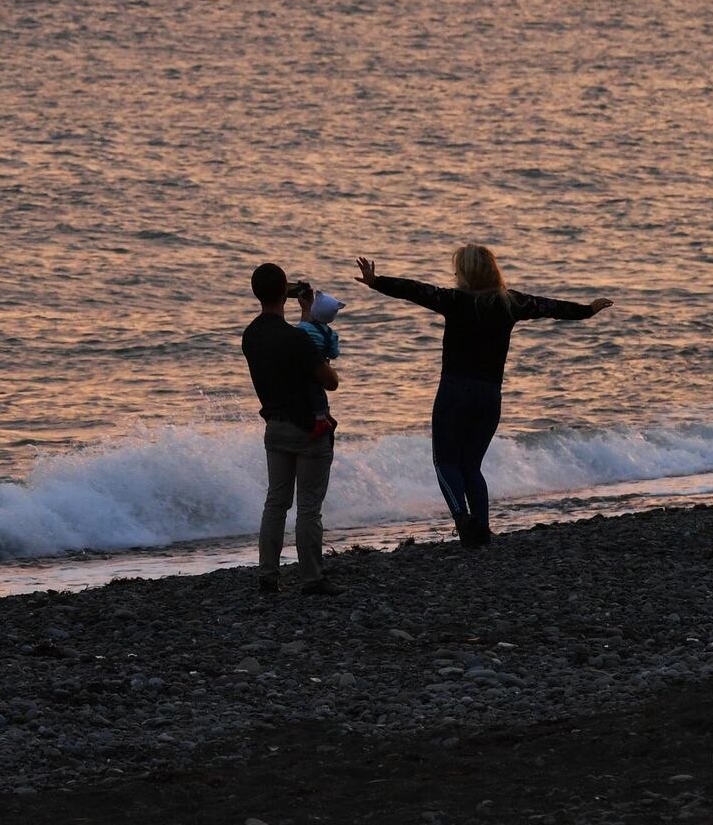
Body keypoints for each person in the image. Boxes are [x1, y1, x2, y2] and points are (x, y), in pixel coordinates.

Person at [353, 246, 611, 549]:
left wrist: (377, 281)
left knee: (445, 462)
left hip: (454, 391)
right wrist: (587, 310)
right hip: (490, 395)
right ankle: (483, 531)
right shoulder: (510, 302)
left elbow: (416, 291)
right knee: (471, 466)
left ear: (465, 273)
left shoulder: (454, 300)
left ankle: (462, 519)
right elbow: (550, 307)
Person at [242, 262, 346, 595]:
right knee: (308, 508)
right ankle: (312, 578)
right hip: (309, 430)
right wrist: (312, 323)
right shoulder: (298, 340)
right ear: (284, 293)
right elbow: (330, 383)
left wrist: (304, 322)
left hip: (275, 427)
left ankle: (268, 575)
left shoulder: (251, 336)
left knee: (275, 503)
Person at [294, 289, 345, 437]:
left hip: (305, 365)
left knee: (311, 389)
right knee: (318, 390)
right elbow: (334, 354)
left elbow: (298, 339)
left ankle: (321, 420)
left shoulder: (303, 328)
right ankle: (325, 416)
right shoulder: (331, 334)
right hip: (322, 366)